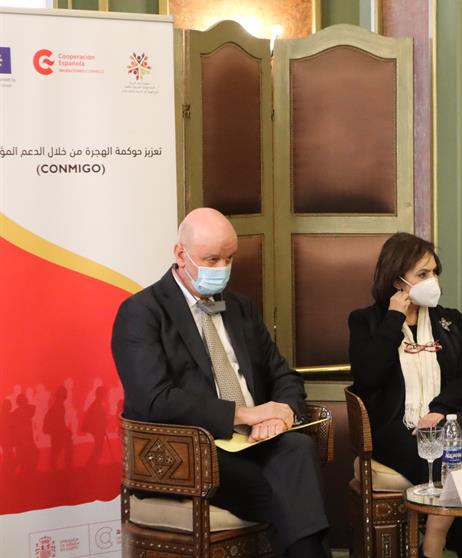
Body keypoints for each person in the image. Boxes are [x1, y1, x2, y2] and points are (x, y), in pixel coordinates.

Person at [111, 208, 329, 558]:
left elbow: (283, 374)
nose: (222, 268)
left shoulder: (241, 308)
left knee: (298, 449)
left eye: (229, 259)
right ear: (180, 254)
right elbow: (154, 399)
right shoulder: (142, 312)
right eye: (212, 259)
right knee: (293, 494)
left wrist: (281, 414)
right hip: (194, 450)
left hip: (256, 439)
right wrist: (243, 415)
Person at [348, 233, 462, 558]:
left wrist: (439, 411)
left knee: (459, 435)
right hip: (398, 427)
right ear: (398, 280)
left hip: (449, 415)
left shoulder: (450, 320)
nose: (433, 280)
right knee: (451, 462)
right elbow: (367, 378)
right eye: (422, 274)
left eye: (435, 272)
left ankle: (435, 537)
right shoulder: (365, 321)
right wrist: (394, 318)